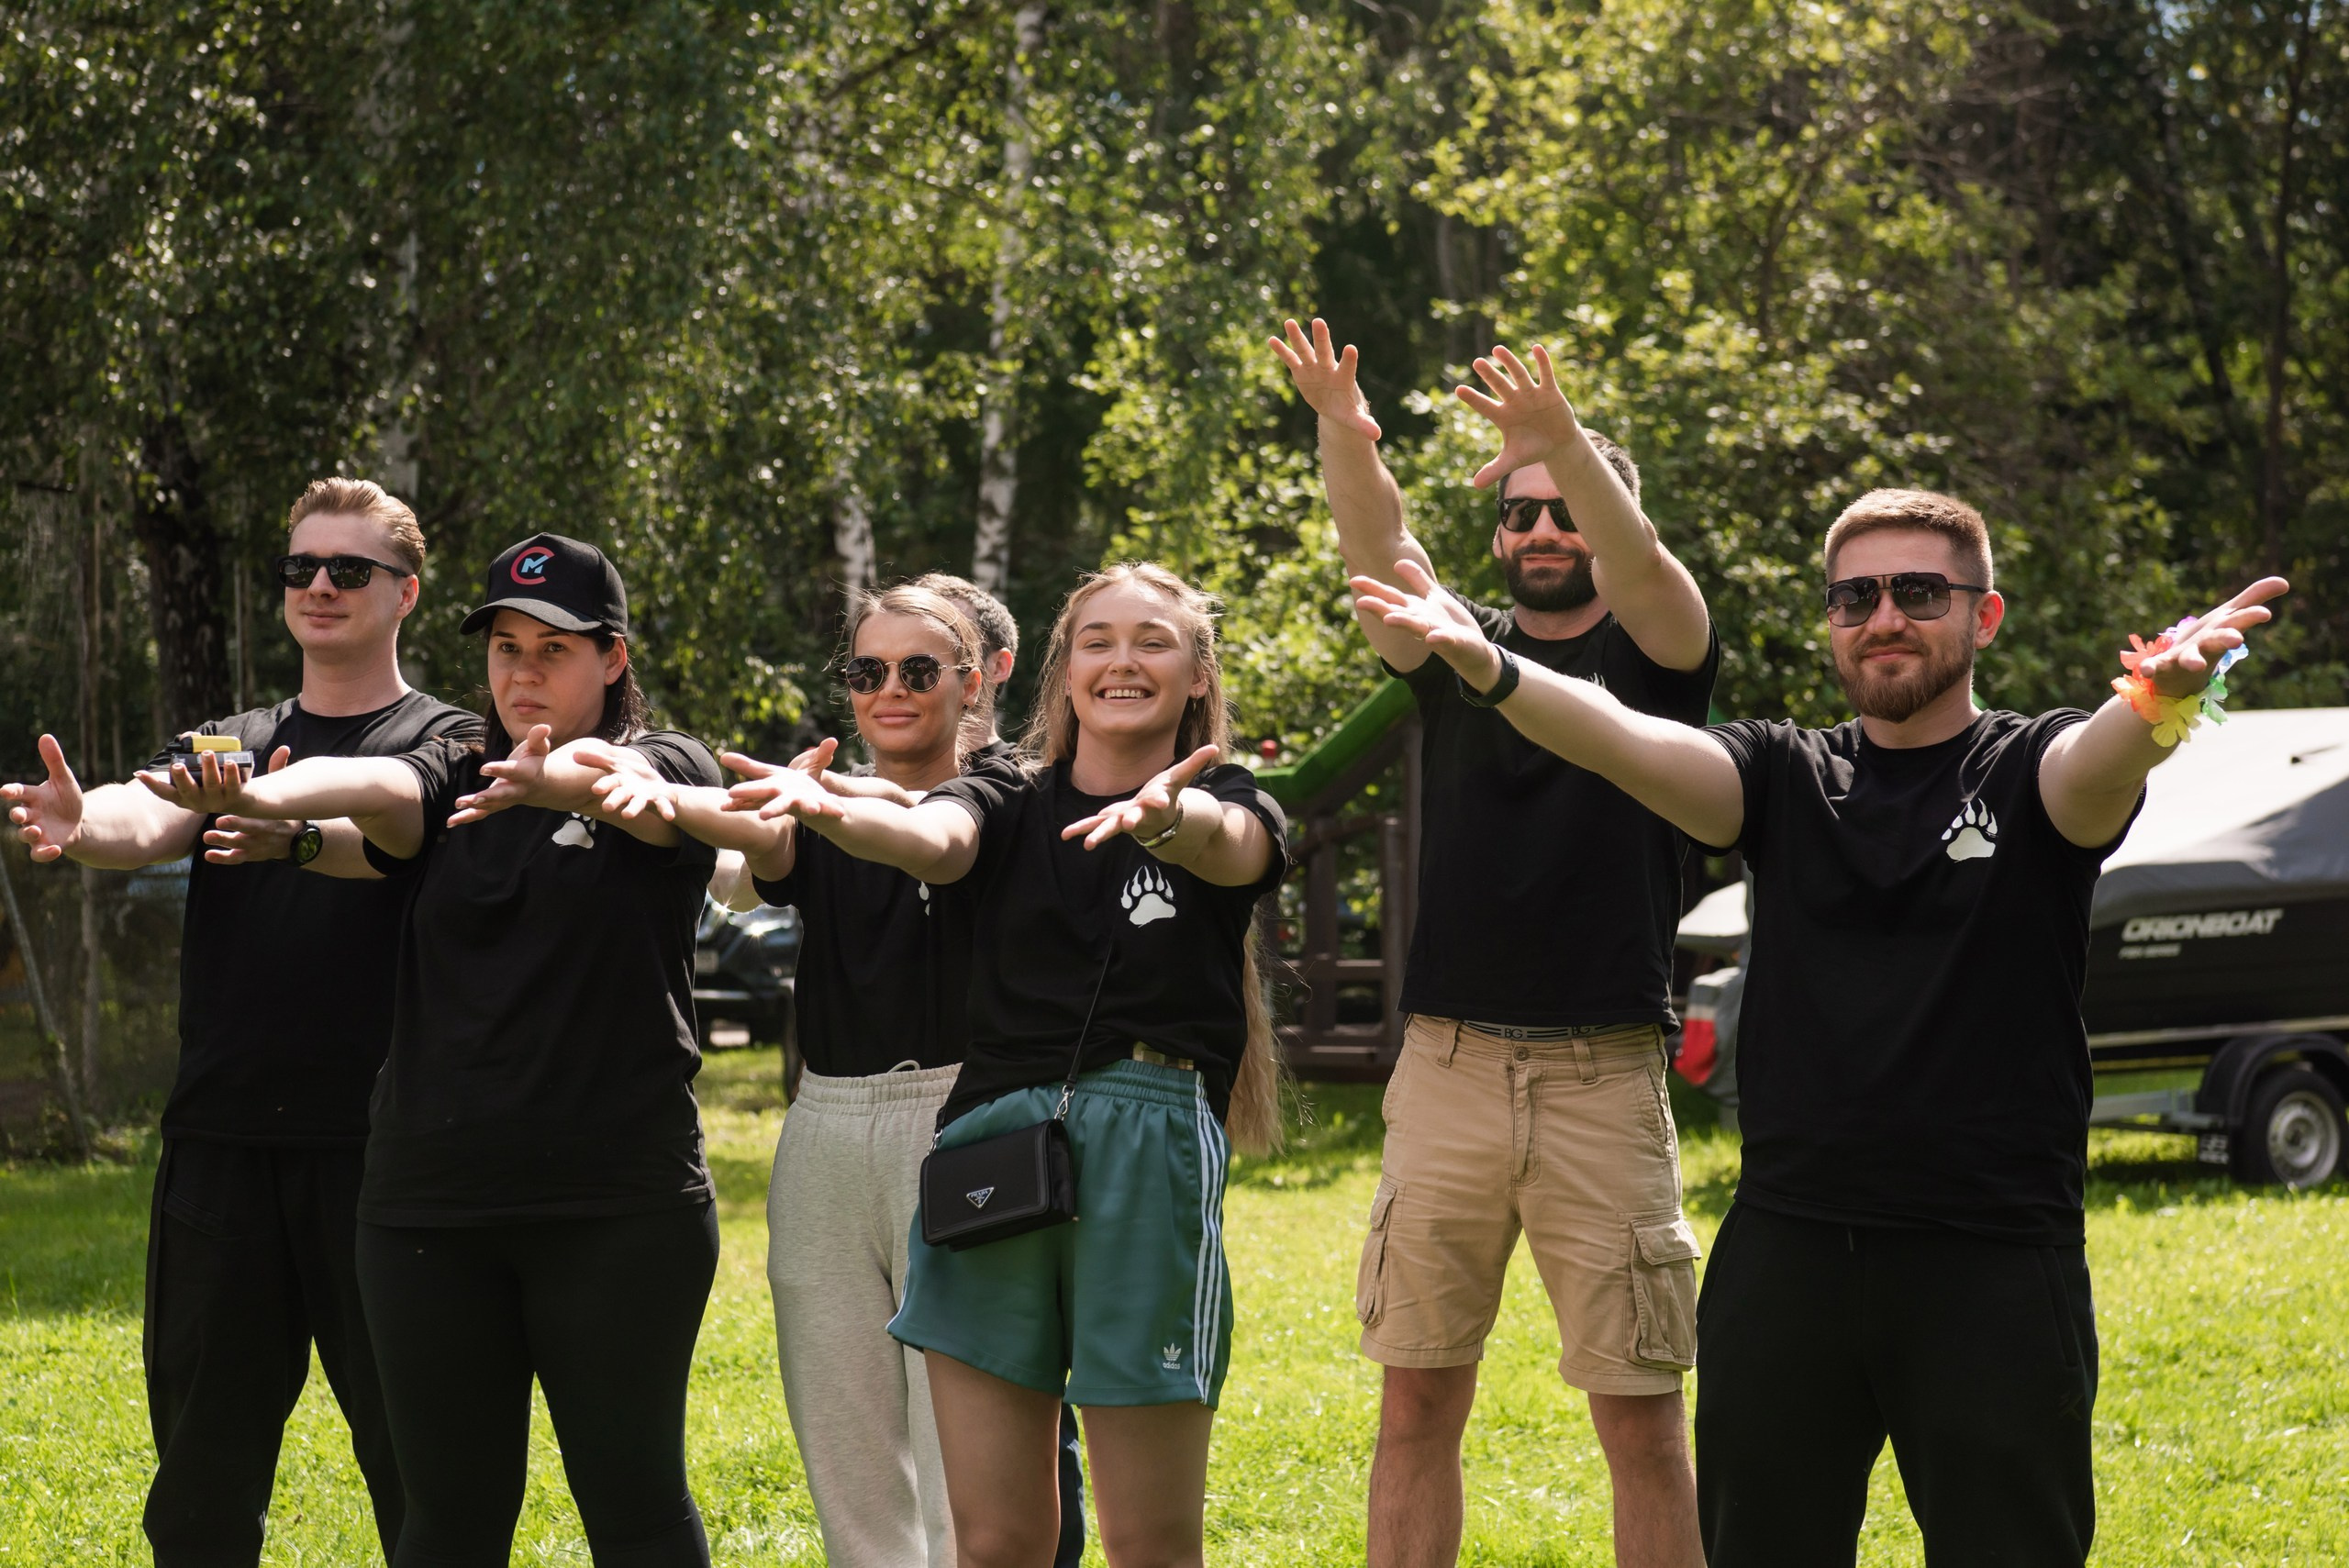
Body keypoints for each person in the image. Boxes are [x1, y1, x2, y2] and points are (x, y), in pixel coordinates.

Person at [1353, 487, 2288, 1565]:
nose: (1884, 615)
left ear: (1983, 616)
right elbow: (1616, 737)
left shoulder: (2031, 769)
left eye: (1918, 591)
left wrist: (2157, 694)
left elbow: (2103, 762)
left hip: (1989, 1259)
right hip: (1787, 1255)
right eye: (1856, 597)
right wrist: (1493, 669)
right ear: (1832, 622)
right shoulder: (1781, 773)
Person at [134, 532, 726, 1568]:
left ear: (614, 657)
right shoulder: (454, 771)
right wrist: (253, 797)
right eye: (505, 647)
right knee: (444, 1522)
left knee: (632, 1507)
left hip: (615, 1206)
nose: (524, 671)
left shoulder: (665, 769)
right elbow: (370, 792)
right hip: (425, 1209)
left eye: (555, 648)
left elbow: (624, 772)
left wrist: (585, 782)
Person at [717, 562, 1286, 1568]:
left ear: (1197, 672)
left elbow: (1232, 847)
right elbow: (933, 837)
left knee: (1150, 1541)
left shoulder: (1225, 795)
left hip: (1146, 1143)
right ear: (1063, 672)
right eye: (1098, 640)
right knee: (994, 1542)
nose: (1122, 661)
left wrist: (1164, 816)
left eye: (1152, 640)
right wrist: (833, 802)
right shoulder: (1004, 796)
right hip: (990, 1149)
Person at [1272, 319, 1714, 1566]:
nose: (1541, 531)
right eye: (1518, 514)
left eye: (1565, 506)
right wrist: (1343, 431)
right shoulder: (1461, 653)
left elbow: (1654, 578)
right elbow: (1382, 546)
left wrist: (1563, 445)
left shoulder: (1660, 656)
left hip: (1604, 1079)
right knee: (1414, 1398)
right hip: (1450, 1070)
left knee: (1641, 1418)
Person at [4, 478, 473, 1567]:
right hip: (222, 1145)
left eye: (346, 569)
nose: (318, 585)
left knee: (423, 1469)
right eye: (299, 567)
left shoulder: (447, 738)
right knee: (203, 1479)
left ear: (404, 592)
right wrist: (83, 824)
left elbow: (390, 798)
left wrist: (274, 804)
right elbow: (148, 808)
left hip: (387, 1151)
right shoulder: (231, 739)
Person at [593, 583, 1002, 1566]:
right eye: (866, 672)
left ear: (972, 682)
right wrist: (634, 787)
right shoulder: (801, 811)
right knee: (845, 1440)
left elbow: (920, 824)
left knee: (965, 1451)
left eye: (917, 670)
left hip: (963, 1117)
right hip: (824, 1121)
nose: (889, 690)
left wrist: (818, 798)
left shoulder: (1007, 797)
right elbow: (748, 831)